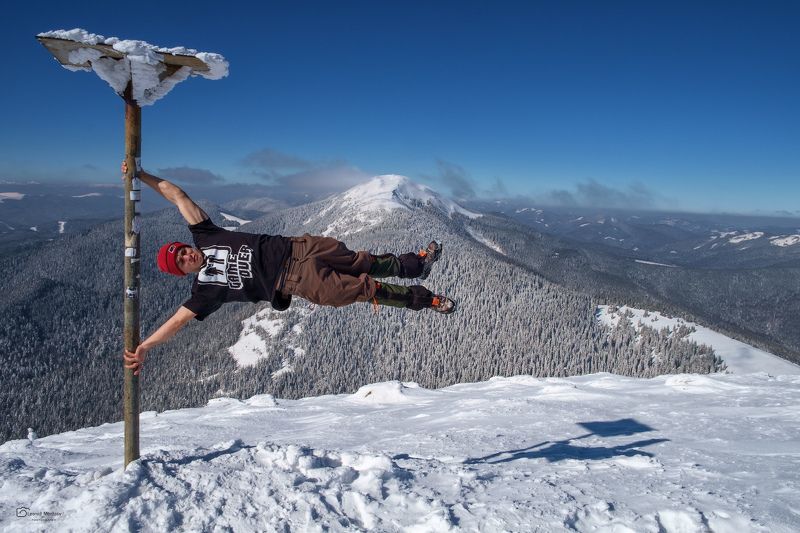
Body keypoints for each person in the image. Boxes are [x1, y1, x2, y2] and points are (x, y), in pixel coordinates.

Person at [122, 162, 455, 376]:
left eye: (182, 251)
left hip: (298, 246)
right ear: (182, 273)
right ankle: (423, 299)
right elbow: (177, 322)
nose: (185, 257)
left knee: (362, 261)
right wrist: (146, 346)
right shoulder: (206, 290)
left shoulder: (206, 236)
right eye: (179, 262)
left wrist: (141, 175)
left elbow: (178, 197)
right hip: (296, 280)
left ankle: (416, 265)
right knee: (363, 288)